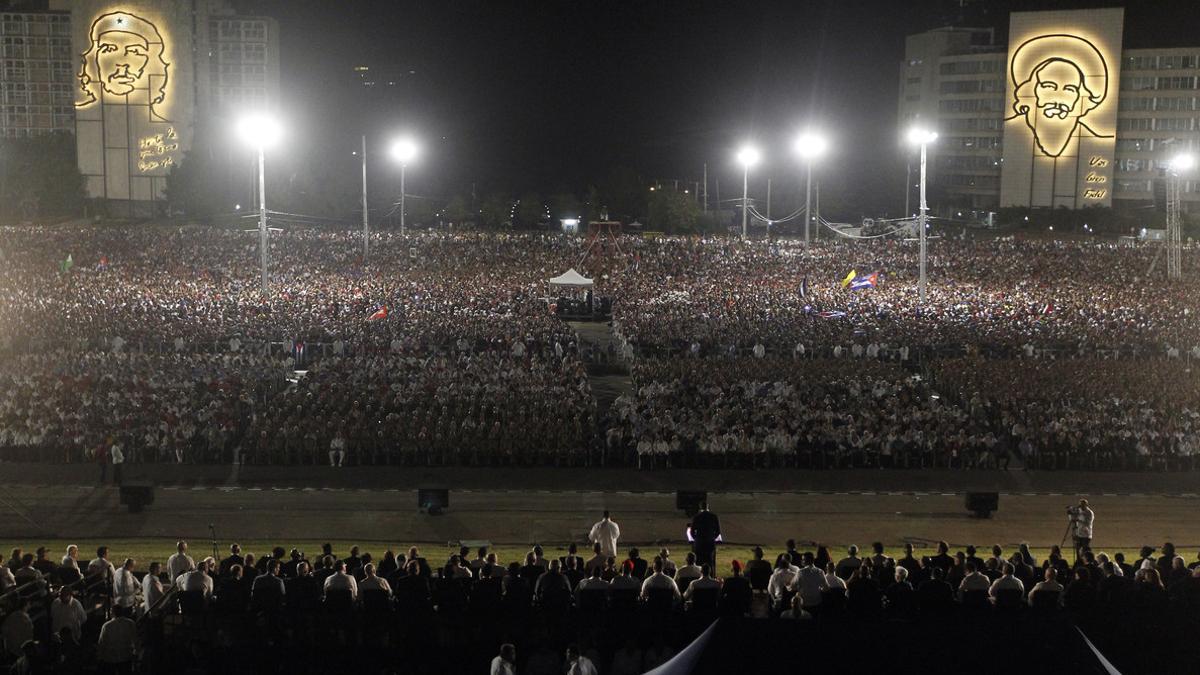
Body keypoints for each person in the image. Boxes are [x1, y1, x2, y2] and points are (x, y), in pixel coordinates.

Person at [96, 606, 138, 672]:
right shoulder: (130, 623)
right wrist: (135, 653)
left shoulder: (106, 626)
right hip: (126, 656)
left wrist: (100, 657)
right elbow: (135, 640)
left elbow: (101, 643)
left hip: (111, 658)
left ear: (112, 613)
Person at [690, 502, 721, 569]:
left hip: (699, 543)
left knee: (699, 562)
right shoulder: (713, 516)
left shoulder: (697, 517)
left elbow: (692, 532)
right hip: (710, 542)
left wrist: (697, 539)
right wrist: (712, 537)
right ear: (708, 507)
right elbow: (718, 531)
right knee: (710, 562)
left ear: (700, 507)